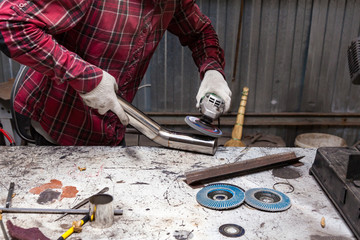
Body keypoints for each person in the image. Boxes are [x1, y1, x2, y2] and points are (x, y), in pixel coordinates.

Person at [0, 0, 232, 146]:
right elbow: (9, 24)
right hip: (56, 125)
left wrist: (213, 69)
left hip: (110, 128)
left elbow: (200, 31)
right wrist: (85, 78)